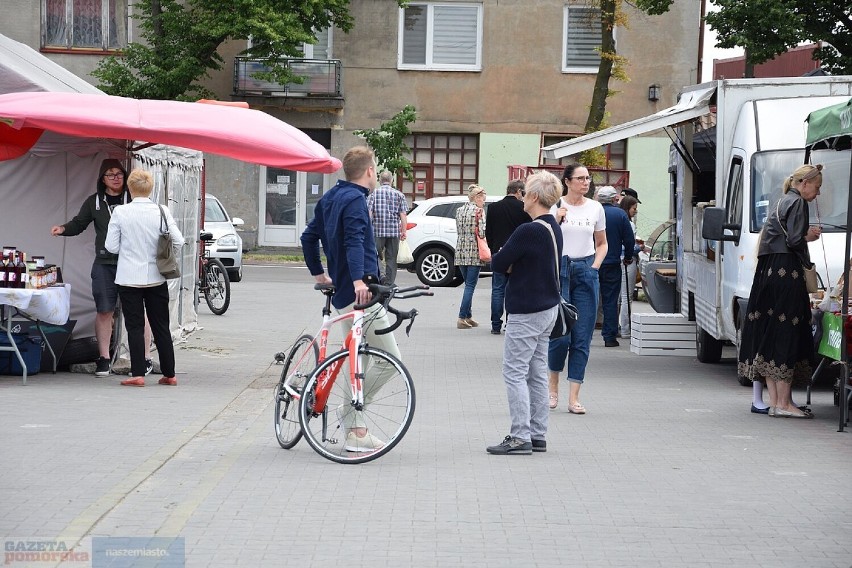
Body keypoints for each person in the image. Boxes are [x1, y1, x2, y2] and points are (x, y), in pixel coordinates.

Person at [300, 145, 403, 452]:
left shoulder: (331, 197)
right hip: (361, 293)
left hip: (344, 291)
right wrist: (359, 279)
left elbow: (308, 237)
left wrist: (319, 272)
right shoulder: (357, 201)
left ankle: (356, 431)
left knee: (360, 358)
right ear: (370, 171)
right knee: (391, 360)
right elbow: (355, 242)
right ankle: (351, 418)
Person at [50, 159, 153, 377]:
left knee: (138, 312)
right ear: (102, 179)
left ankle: (145, 358)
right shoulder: (95, 202)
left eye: (119, 174)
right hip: (105, 264)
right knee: (104, 311)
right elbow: (79, 224)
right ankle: (104, 359)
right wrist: (63, 228)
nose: (116, 178)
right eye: (110, 174)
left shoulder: (135, 199)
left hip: (132, 263)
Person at [738, 163, 823, 419]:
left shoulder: (780, 201)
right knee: (787, 331)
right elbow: (794, 240)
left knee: (772, 332)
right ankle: (784, 404)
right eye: (817, 188)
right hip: (786, 272)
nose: (817, 193)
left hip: (767, 272)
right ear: (804, 183)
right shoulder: (797, 203)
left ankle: (776, 402)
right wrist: (808, 237)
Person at [486, 172, 563, 455]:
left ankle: (520, 436)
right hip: (547, 308)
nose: (521, 197)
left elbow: (499, 262)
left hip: (527, 309)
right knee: (537, 372)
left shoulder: (527, 230)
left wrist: (505, 256)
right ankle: (538, 433)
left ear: (532, 196)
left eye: (525, 192)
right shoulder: (552, 226)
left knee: (514, 372)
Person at [104, 169, 184, 387]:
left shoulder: (120, 212)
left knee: (135, 326)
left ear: (129, 188)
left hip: (129, 276)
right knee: (161, 325)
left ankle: (138, 373)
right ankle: (170, 373)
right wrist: (165, 255)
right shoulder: (161, 210)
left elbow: (110, 246)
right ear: (151, 188)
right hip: (157, 275)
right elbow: (179, 240)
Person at [547, 164, 607, 413]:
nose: (586, 183)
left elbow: (602, 243)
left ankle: (574, 397)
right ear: (568, 181)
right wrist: (557, 219)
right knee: (560, 335)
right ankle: (552, 387)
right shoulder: (555, 206)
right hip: (560, 270)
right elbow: (546, 238)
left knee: (582, 336)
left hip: (585, 269)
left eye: (588, 178)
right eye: (580, 179)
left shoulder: (596, 207)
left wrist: (594, 266)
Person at [485, 179, 532, 335]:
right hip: (518, 254)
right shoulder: (524, 208)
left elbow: (489, 232)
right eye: (523, 193)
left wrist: (493, 251)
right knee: (514, 289)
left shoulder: (493, 207)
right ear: (518, 191)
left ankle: (495, 325)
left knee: (497, 289)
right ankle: (510, 322)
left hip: (499, 252)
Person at [596, 186, 634, 348]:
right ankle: (609, 337)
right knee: (610, 300)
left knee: (588, 299)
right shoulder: (620, 215)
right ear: (615, 199)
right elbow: (629, 239)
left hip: (592, 262)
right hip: (612, 263)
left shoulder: (593, 212)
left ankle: (580, 334)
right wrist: (627, 257)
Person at [454, 184, 488, 329]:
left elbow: (458, 229)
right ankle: (461, 317)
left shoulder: (459, 210)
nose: (484, 202)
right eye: (483, 199)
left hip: (461, 251)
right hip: (474, 252)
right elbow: (482, 233)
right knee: (470, 285)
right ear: (477, 197)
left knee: (468, 283)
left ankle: (468, 316)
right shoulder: (479, 211)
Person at [367, 170, 408, 286]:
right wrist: (403, 231)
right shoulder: (399, 195)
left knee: (374, 255)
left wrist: (367, 230)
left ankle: (380, 277)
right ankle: (389, 283)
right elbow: (403, 215)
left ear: (380, 181)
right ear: (392, 180)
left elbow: (369, 214)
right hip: (394, 232)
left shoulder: (373, 195)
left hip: (377, 232)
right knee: (391, 258)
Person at [618, 195, 645, 338]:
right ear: (627, 208)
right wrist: (640, 247)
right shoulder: (629, 224)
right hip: (628, 261)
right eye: (634, 208)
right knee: (626, 297)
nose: (635, 211)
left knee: (617, 297)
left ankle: (615, 327)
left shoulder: (616, 220)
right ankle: (626, 330)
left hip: (616, 260)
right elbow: (629, 246)